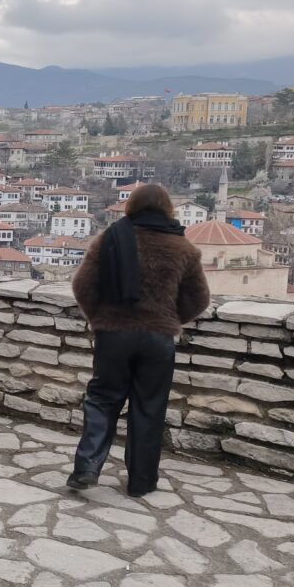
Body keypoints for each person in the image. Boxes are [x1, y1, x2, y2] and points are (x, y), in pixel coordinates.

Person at [69, 184, 209, 498]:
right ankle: (141, 481)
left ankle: (86, 469)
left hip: (114, 334)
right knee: (149, 407)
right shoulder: (183, 248)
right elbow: (199, 299)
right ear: (168, 209)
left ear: (131, 206)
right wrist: (170, 319)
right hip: (158, 339)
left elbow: (83, 285)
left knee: (103, 400)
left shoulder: (110, 239)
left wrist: (100, 317)